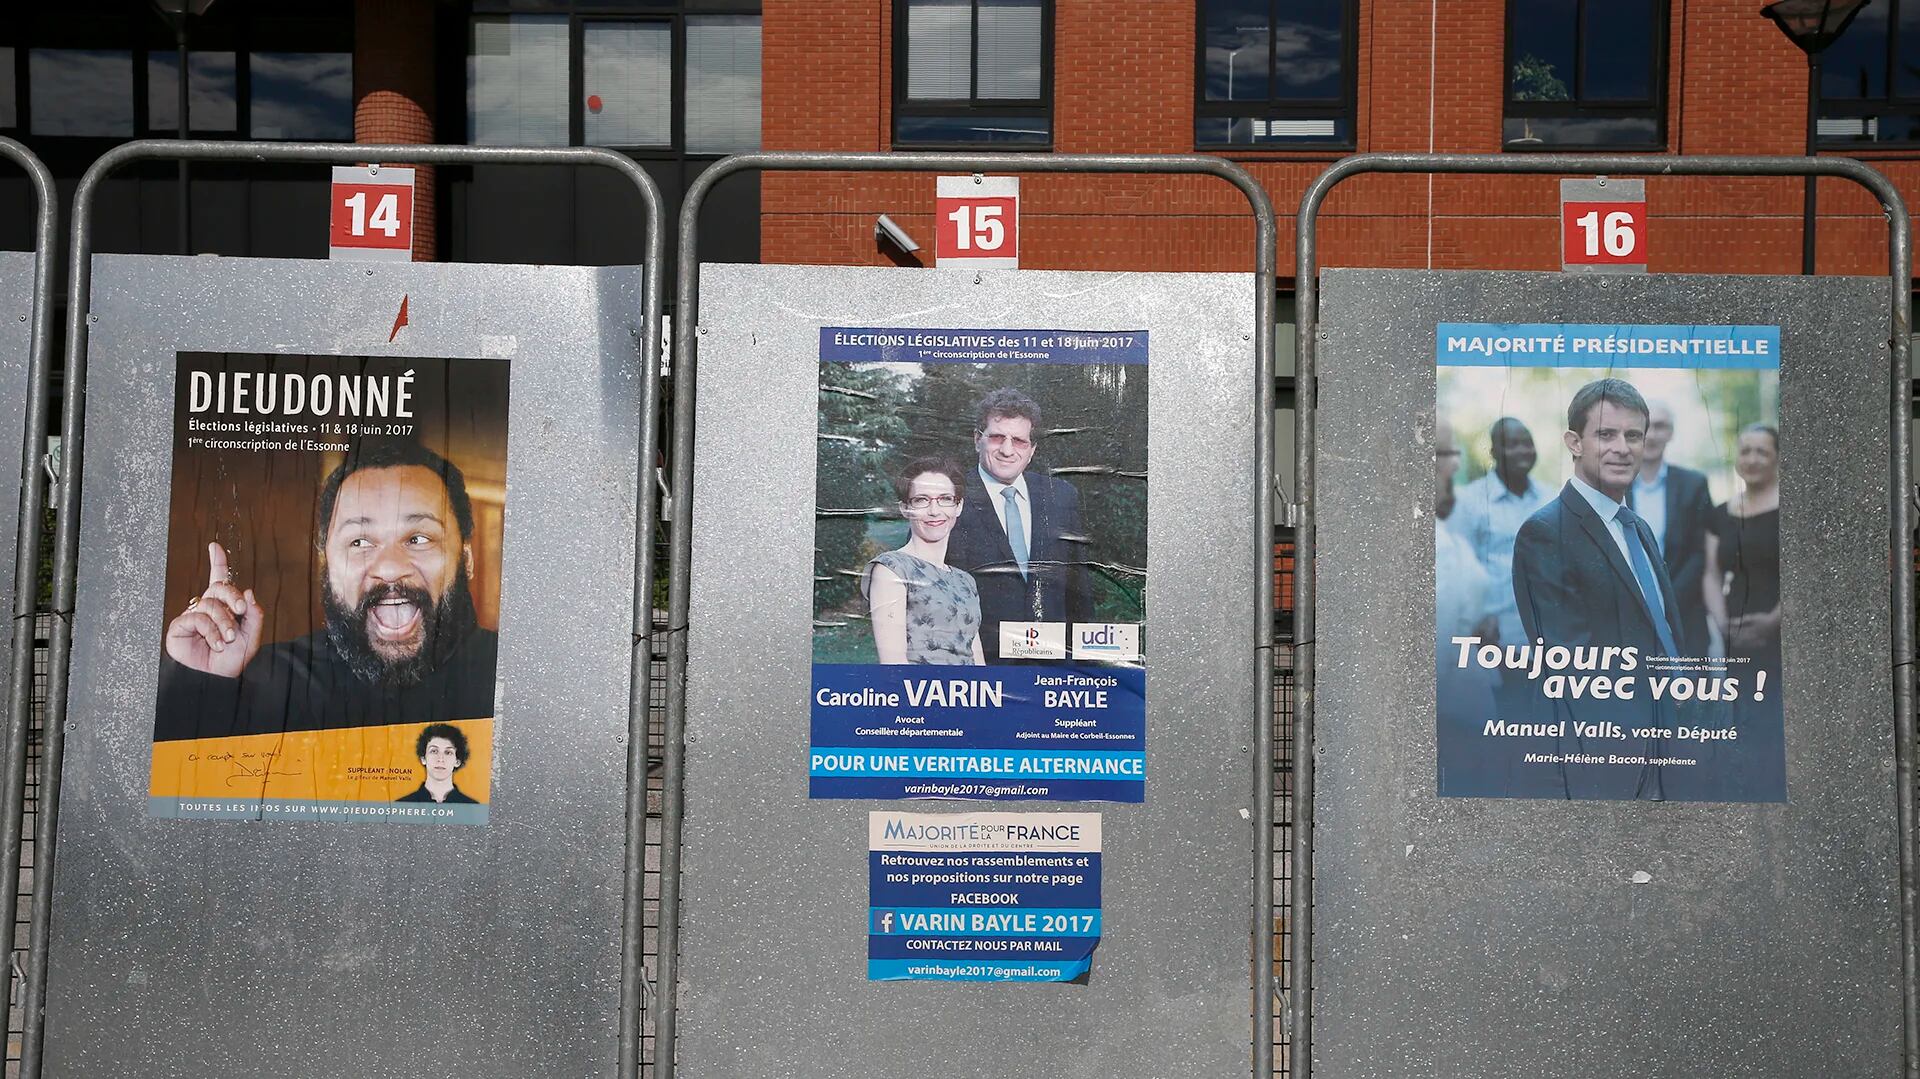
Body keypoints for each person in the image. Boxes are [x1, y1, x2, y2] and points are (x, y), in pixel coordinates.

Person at [154, 438, 499, 740]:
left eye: (418, 538)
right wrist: (199, 684)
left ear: (466, 558)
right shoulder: (264, 683)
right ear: (328, 565)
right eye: (360, 541)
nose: (391, 567)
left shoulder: (513, 683)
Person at [1512, 378, 1685, 656]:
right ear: (1575, 443)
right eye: (1606, 435)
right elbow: (1569, 665)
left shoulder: (1637, 527)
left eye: (1633, 436)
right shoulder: (1544, 533)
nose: (1622, 448)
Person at [946, 388, 1094, 661]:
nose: (1007, 450)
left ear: (1032, 450)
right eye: (997, 437)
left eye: (1019, 441)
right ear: (977, 440)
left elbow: (1079, 592)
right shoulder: (947, 498)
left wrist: (1085, 664)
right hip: (979, 669)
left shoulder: (1061, 496)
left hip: (1054, 667)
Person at [864, 456, 985, 665]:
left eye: (945, 499)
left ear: (958, 506)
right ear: (905, 508)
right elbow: (893, 666)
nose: (934, 511)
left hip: (967, 696)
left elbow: (978, 663)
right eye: (921, 500)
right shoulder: (891, 569)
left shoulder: (965, 581)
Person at [1447, 417, 1549, 646]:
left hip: (1548, 640)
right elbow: (1459, 570)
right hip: (1494, 639)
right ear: (1493, 452)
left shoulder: (1551, 499)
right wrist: (1478, 618)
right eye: (1512, 444)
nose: (1522, 450)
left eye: (1527, 443)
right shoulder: (1469, 501)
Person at [1629, 400, 1715, 655]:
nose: (1652, 435)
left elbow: (1701, 553)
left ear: (1671, 433)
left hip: (1685, 617)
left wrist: (1666, 600)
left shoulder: (1693, 484)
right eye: (1646, 427)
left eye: (1660, 426)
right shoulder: (1614, 485)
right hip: (1632, 620)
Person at [1704, 424, 1781, 673]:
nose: (1752, 459)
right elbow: (1710, 574)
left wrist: (1773, 621)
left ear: (1778, 458)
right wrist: (1722, 623)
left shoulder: (1792, 510)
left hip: (1786, 631)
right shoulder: (1720, 513)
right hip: (1735, 635)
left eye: (1762, 452)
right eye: (1745, 451)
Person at [396, 722, 479, 804]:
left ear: (457, 761)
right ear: (423, 758)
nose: (440, 759)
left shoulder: (473, 807)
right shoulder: (401, 805)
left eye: (448, 752)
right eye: (434, 751)